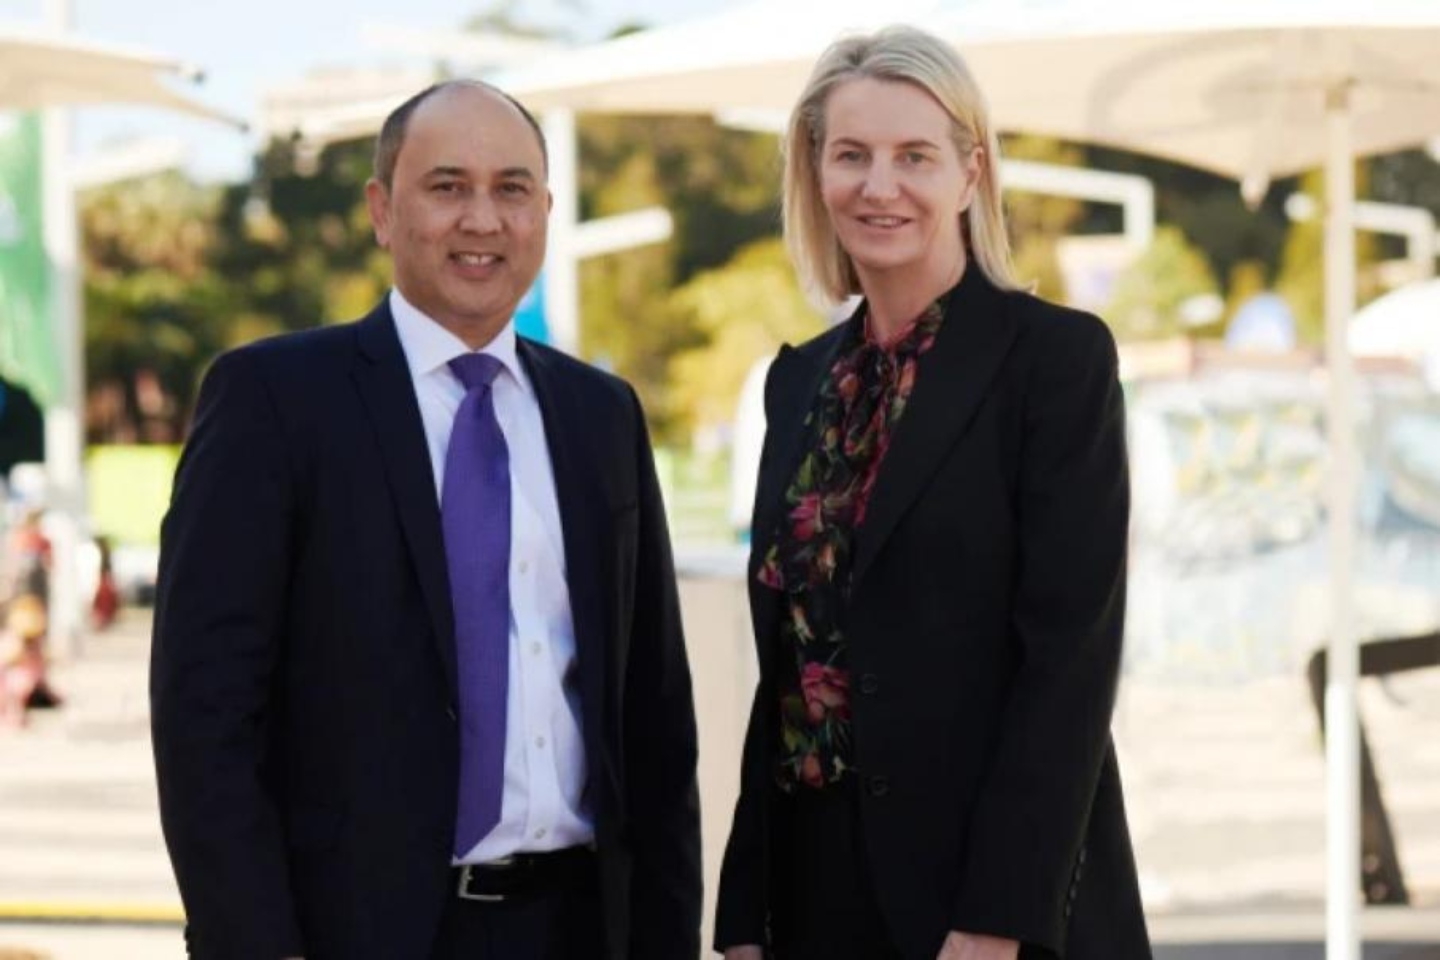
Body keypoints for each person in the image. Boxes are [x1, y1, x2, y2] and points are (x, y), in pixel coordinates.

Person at [151, 80, 701, 960]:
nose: (482, 218)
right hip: (353, 933)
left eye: (512, 189)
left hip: (577, 927)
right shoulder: (274, 401)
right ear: (382, 210)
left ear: (545, 212)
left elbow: (654, 719)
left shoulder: (601, 416)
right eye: (448, 187)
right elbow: (204, 717)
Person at [714, 26, 1150, 960]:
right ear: (815, 173)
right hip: (815, 899)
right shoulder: (797, 383)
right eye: (851, 155)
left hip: (989, 901)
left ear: (970, 173)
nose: (880, 186)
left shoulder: (1056, 363)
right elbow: (787, 668)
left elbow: (1069, 666)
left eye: (914, 155)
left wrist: (995, 923)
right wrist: (744, 913)